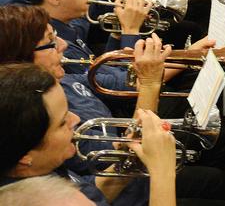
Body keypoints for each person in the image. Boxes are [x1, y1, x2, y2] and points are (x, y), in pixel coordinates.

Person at [0, 63, 178, 206]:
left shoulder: (37, 166)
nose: (76, 119)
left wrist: (126, 163)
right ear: (25, 157)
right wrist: (163, 172)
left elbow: (93, 194)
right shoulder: (36, 200)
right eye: (62, 122)